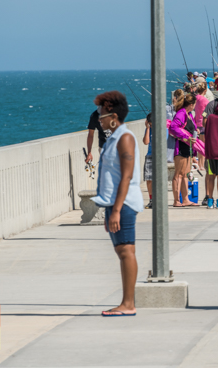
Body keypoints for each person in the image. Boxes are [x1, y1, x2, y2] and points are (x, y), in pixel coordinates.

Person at [90, 91, 144, 316]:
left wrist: (117, 211)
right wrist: (109, 211)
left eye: (101, 114)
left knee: (126, 251)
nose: (98, 118)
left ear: (113, 116)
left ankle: (128, 304)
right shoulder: (114, 137)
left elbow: (126, 176)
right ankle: (127, 302)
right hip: (114, 204)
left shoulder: (125, 137)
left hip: (124, 205)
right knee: (123, 250)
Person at [169, 93, 197, 207]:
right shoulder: (181, 114)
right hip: (180, 146)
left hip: (187, 147)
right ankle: (176, 200)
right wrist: (185, 137)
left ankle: (185, 199)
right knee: (178, 174)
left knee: (185, 174)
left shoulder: (188, 114)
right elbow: (173, 127)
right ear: (191, 104)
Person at [143, 113, 154, 209]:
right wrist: (147, 128)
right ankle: (151, 200)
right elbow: (146, 142)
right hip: (150, 155)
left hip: (158, 156)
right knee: (149, 179)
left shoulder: (163, 128)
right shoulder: (148, 130)